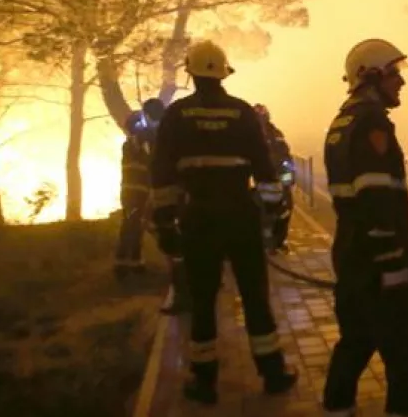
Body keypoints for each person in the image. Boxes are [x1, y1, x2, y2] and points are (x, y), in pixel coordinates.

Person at [149, 40, 298, 405]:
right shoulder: (243, 112)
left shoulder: (176, 116)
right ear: (223, 72)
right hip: (241, 217)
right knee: (255, 298)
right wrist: (273, 220)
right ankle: (273, 373)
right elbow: (265, 172)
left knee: (202, 302)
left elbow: (162, 176)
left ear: (191, 73)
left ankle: (204, 382)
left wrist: (166, 226)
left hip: (198, 219)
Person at [322, 38, 408, 417]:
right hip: (379, 258)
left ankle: (336, 407)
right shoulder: (371, 122)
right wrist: (393, 262)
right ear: (371, 75)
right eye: (394, 73)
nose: (401, 82)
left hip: (352, 252)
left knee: (357, 340)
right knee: (404, 349)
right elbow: (376, 197)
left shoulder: (343, 121)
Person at [113, 110, 152, 277]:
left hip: (138, 193)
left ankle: (132, 262)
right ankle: (127, 264)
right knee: (131, 226)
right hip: (132, 193)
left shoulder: (140, 145)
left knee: (136, 226)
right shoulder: (130, 146)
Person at [254, 103, 295, 253]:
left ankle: (278, 241)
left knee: (285, 209)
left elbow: (286, 156)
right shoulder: (248, 134)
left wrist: (288, 178)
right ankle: (262, 242)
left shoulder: (276, 133)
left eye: (262, 117)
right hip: (258, 181)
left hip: (278, 179)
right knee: (260, 213)